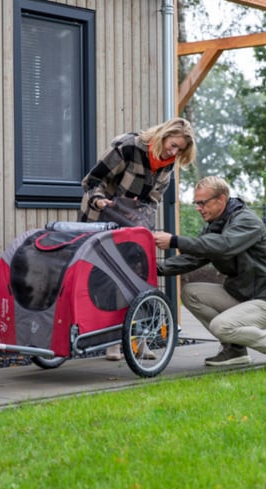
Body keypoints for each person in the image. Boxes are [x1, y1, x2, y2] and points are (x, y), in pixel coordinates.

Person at [153, 176, 266, 371]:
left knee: (221, 326)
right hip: (242, 295)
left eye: (202, 202)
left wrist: (175, 241)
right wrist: (155, 269)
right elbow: (194, 258)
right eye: (196, 203)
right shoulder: (216, 224)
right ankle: (234, 350)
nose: (198, 207)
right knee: (191, 292)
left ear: (221, 199)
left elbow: (224, 246)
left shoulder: (247, 221)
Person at [81, 118, 196, 360]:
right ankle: (112, 343)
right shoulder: (129, 147)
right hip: (103, 216)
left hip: (133, 223)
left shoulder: (168, 162)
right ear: (164, 135)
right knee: (109, 278)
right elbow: (93, 180)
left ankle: (140, 340)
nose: (173, 152)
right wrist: (99, 199)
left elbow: (153, 199)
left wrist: (145, 223)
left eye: (179, 150)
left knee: (139, 278)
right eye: (172, 145)